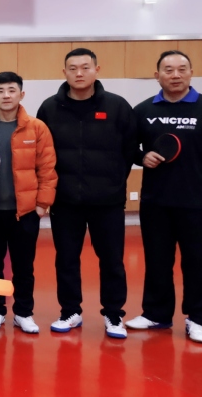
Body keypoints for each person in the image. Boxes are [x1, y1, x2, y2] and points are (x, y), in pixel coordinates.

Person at [36, 48, 136, 339]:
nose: (79, 73)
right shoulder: (50, 108)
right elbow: (43, 153)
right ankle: (70, 311)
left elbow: (129, 149)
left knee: (112, 260)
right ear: (64, 72)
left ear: (96, 70)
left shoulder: (117, 106)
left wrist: (114, 182)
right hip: (66, 201)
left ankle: (114, 314)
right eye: (72, 68)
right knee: (66, 259)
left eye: (85, 67)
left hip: (108, 201)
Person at [126, 51, 202, 343]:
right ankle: (156, 314)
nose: (175, 75)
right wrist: (141, 156)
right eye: (168, 69)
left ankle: (199, 318)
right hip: (155, 202)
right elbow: (127, 147)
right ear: (157, 74)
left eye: (182, 69)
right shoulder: (143, 110)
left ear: (191, 72)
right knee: (157, 260)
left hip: (198, 202)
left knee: (198, 262)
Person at [0, 72, 57, 334]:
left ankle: (24, 312)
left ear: (21, 94)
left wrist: (41, 204)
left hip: (24, 212)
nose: (6, 95)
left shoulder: (36, 128)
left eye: (12, 90)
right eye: (0, 91)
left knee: (24, 266)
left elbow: (47, 168)